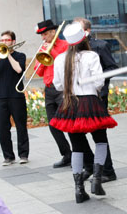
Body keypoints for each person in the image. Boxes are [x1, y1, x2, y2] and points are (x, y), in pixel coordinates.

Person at [50, 22, 117, 203]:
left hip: (70, 103)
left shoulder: (59, 59)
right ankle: (96, 179)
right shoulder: (91, 55)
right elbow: (99, 82)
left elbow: (58, 85)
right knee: (101, 141)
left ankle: (79, 189)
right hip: (90, 102)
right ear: (83, 39)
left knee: (77, 147)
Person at [73, 17, 118, 182]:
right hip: (78, 98)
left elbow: (112, 68)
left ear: (87, 31)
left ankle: (107, 171)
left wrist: (98, 84)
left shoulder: (100, 46)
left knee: (98, 135)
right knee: (76, 134)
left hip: (97, 96)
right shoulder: (72, 50)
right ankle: (90, 166)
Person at [35, 19, 72, 168]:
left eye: (44, 34)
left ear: (52, 32)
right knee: (53, 125)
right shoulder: (42, 48)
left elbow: (66, 64)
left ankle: (77, 155)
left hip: (62, 88)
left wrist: (52, 51)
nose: (43, 38)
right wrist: (44, 56)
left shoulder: (65, 45)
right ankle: (66, 155)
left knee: (68, 123)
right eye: (41, 36)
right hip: (49, 89)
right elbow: (38, 72)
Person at [0, 30, 29, 166]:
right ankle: (8, 157)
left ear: (13, 42)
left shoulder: (20, 55)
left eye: (7, 40)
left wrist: (8, 55)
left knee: (21, 126)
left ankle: (23, 155)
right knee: (2, 128)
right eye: (2, 40)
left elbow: (19, 70)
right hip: (1, 97)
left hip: (16, 96)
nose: (4, 42)